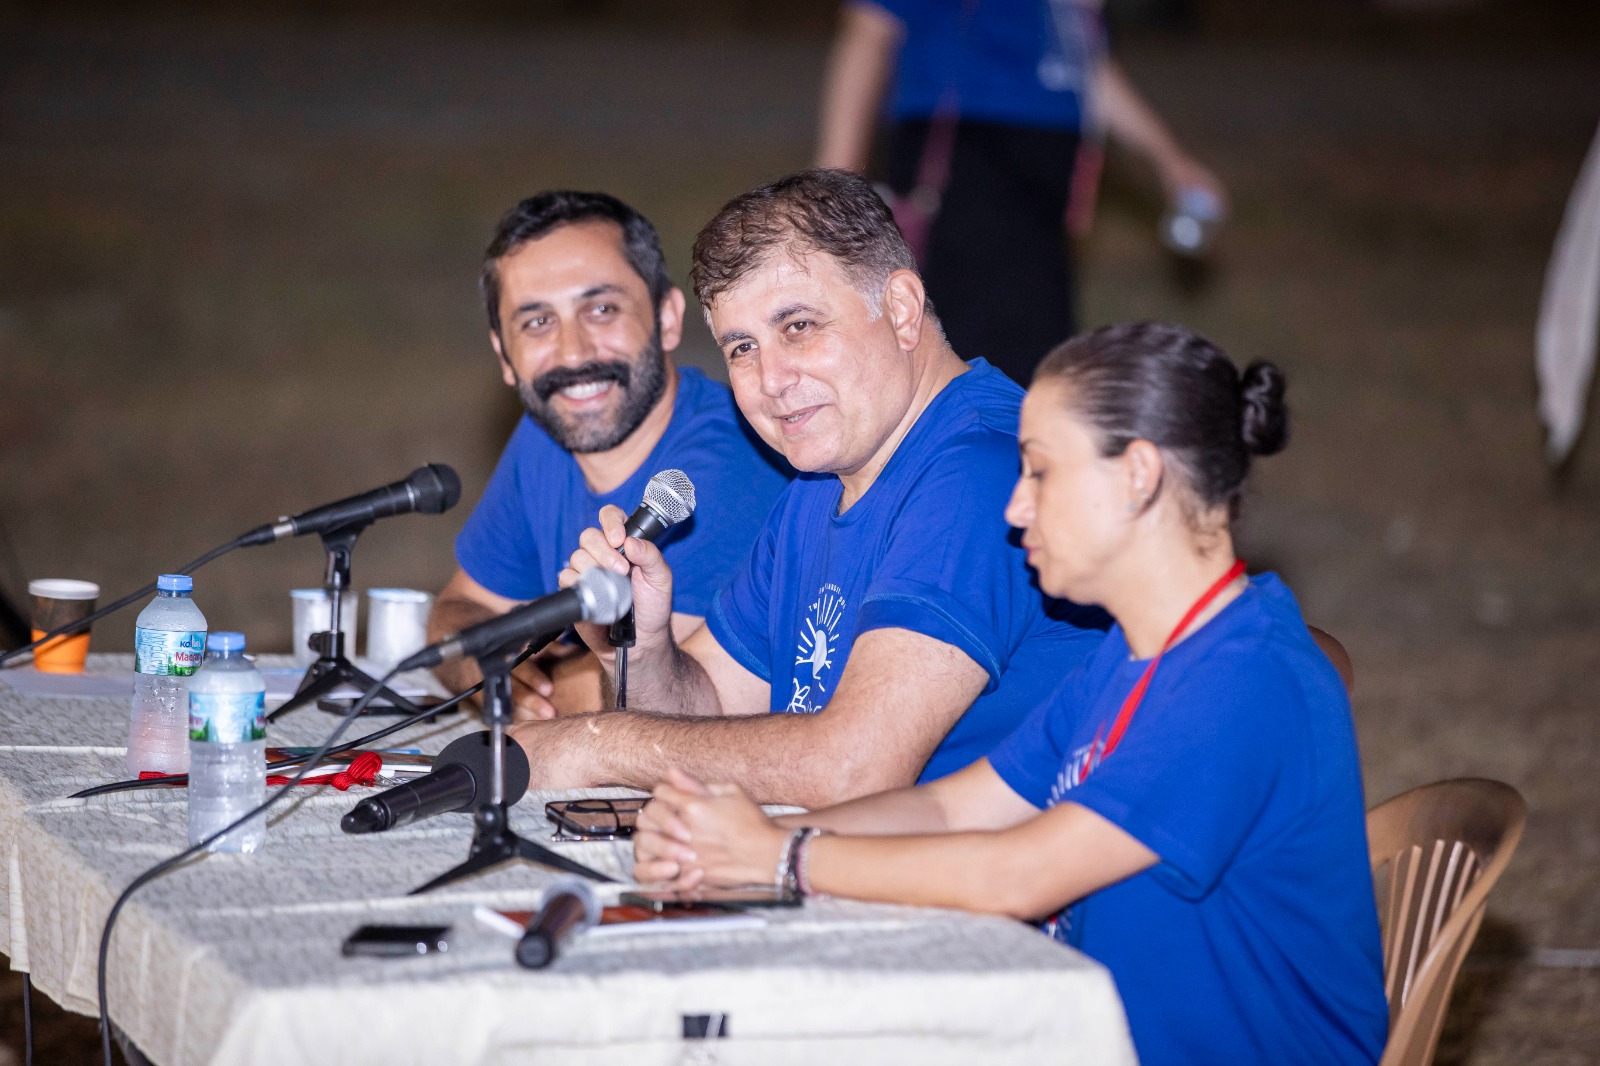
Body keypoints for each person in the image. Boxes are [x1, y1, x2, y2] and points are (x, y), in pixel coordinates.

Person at [633, 322, 1390, 1065]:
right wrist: (737, 841)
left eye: (1039, 472)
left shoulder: (1240, 680)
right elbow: (949, 808)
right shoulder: (1134, 655)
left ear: (1138, 476)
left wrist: (782, 857)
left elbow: (1016, 874)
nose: (1016, 506)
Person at [511, 169, 1105, 807]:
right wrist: (646, 649)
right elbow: (708, 707)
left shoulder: (982, 472)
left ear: (901, 310)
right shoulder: (820, 480)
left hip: (996, 901)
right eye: (741, 347)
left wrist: (603, 744)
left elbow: (855, 770)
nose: (771, 378)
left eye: (798, 326)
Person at [430, 191, 790, 718]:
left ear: (668, 318)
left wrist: (517, 671)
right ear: (504, 355)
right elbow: (454, 613)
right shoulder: (547, 431)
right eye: (537, 322)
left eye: (601, 309)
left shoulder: (725, 464)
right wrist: (483, 669)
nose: (573, 353)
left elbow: (659, 704)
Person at [816, 0, 1227, 384]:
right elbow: (869, 31)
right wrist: (831, 188)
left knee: (1038, 355)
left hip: (1042, 183)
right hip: (968, 158)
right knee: (969, 356)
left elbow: (1084, 65)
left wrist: (1170, 160)